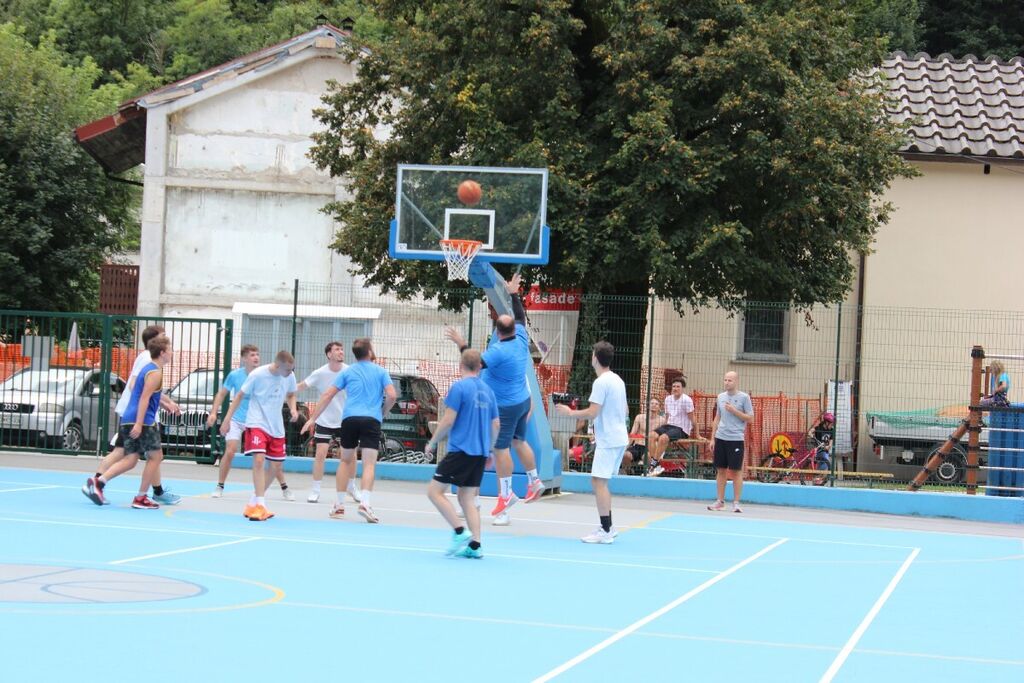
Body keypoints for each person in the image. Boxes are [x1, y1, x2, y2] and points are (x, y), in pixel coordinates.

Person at [444, 273, 544, 527]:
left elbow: (473, 363)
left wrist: (461, 343)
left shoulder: (498, 351)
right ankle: (534, 480)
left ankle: (506, 495)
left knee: (498, 449)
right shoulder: (521, 336)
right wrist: (513, 293)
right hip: (521, 400)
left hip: (504, 406)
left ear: (497, 332)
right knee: (518, 441)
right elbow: (519, 316)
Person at [83, 324, 181, 506]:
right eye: (170, 349)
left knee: (131, 459)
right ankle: (141, 497)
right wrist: (138, 423)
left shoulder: (151, 368)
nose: (172, 352)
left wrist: (165, 404)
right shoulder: (153, 370)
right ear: (162, 352)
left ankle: (99, 482)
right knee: (155, 456)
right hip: (142, 420)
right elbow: (143, 397)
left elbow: (147, 393)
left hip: (134, 416)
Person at [302, 338, 397, 523]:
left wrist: (313, 418)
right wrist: (382, 413)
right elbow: (392, 395)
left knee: (345, 461)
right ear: (369, 352)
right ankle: (365, 503)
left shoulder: (348, 371)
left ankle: (339, 505)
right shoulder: (380, 371)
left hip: (349, 419)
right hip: (371, 420)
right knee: (368, 464)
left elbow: (328, 394)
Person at [424, 349, 499, 559]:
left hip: (461, 450)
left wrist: (432, 442)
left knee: (434, 492)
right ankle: (475, 545)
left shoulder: (459, 388)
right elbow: (496, 424)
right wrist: (490, 450)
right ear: (480, 367)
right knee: (466, 497)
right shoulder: (489, 391)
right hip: (480, 453)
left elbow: (448, 420)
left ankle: (459, 531)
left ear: (461, 366)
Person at [554, 341, 629, 544]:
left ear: (595, 358)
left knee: (598, 482)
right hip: (617, 437)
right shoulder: (617, 380)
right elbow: (625, 410)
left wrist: (570, 413)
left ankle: (606, 530)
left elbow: (592, 412)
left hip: (610, 440)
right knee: (600, 481)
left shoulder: (601, 382)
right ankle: (608, 526)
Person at [221, 350, 298, 522]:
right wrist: (227, 420)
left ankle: (253, 501)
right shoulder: (257, 375)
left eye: (291, 370)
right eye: (287, 370)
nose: (290, 373)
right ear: (278, 366)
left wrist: (293, 409)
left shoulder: (289, 376)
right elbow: (239, 396)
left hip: (276, 426)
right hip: (257, 422)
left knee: (276, 466)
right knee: (259, 460)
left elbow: (291, 394)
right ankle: (261, 505)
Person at [207, 345, 291, 499]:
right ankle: (220, 485)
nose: (256, 357)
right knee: (231, 450)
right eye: (252, 355)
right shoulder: (235, 375)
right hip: (238, 419)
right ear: (244, 359)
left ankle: (284, 486)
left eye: (257, 354)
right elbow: (222, 394)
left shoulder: (265, 375)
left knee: (269, 457)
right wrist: (214, 413)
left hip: (258, 421)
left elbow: (288, 391)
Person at [296, 341, 360, 504]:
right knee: (320, 454)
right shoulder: (320, 373)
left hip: (345, 420)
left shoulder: (349, 371)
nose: (341, 352)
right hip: (324, 420)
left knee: (351, 455)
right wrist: (283, 388)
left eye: (342, 349)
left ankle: (352, 487)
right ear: (329, 354)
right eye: (337, 349)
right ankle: (315, 490)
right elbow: (302, 386)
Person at [708, 371, 754, 513]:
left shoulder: (744, 398)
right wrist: (712, 438)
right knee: (721, 470)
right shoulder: (720, 397)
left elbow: (750, 418)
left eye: (730, 380)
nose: (727, 382)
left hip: (736, 439)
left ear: (736, 381)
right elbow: (717, 417)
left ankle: (736, 502)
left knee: (736, 471)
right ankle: (720, 501)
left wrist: (734, 411)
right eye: (725, 380)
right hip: (721, 438)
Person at [649, 378, 698, 475]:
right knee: (651, 435)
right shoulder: (668, 399)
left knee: (663, 438)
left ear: (682, 388)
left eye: (678, 386)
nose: (675, 388)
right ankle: (656, 464)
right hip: (669, 426)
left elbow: (693, 418)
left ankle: (653, 465)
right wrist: (663, 428)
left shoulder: (687, 400)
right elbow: (667, 416)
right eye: (674, 386)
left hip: (682, 429)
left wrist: (698, 434)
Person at [625, 397, 665, 475]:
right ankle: (629, 473)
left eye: (656, 404)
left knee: (646, 457)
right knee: (626, 455)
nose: (654, 405)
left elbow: (661, 437)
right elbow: (632, 434)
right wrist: (625, 447)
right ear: (648, 406)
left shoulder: (662, 420)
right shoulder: (639, 417)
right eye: (652, 403)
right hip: (637, 445)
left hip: (651, 447)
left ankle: (651, 473)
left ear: (659, 407)